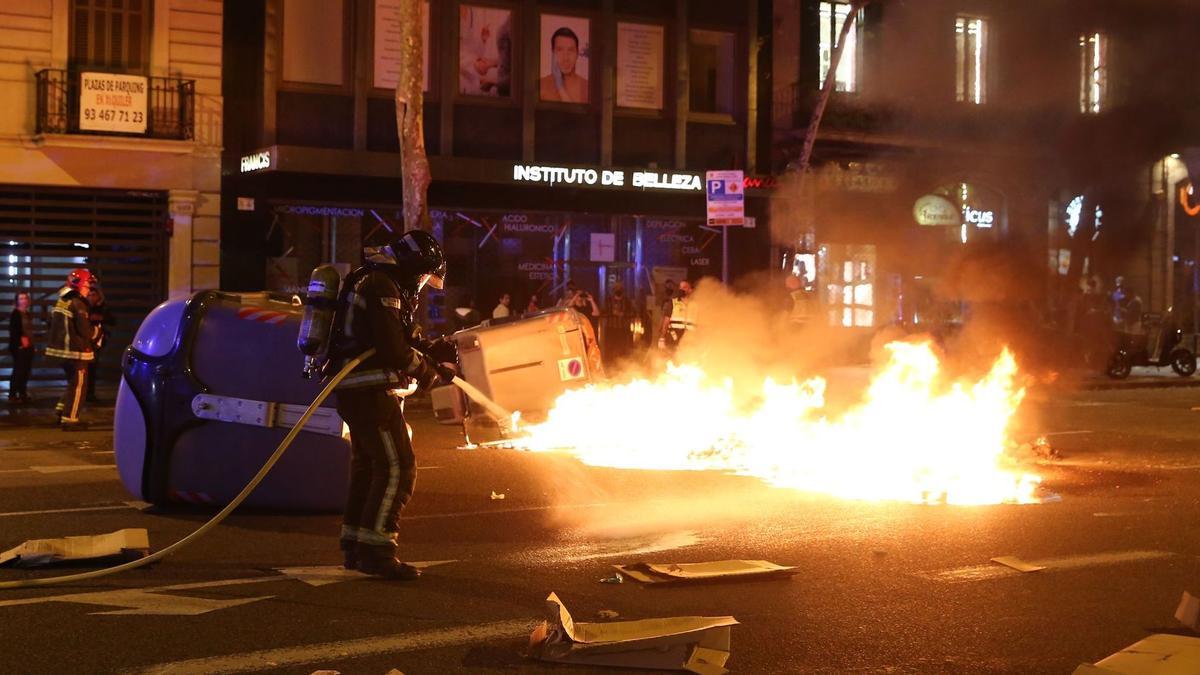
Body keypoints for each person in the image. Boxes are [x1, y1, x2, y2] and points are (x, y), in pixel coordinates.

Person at [326, 231, 456, 581]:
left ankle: (355, 545)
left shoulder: (376, 280)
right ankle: (377, 550)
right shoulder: (381, 286)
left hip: (358, 391)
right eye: (425, 278)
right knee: (398, 467)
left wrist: (434, 350)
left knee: (370, 467)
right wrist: (428, 373)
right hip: (370, 391)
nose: (424, 285)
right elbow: (392, 349)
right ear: (416, 268)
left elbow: (401, 336)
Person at [46, 269, 95, 430]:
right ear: (79, 284)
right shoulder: (77, 303)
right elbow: (85, 331)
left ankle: (61, 411)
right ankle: (70, 418)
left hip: (63, 352)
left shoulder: (62, 300)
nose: (89, 289)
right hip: (76, 352)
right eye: (88, 284)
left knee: (72, 383)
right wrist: (98, 332)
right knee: (79, 386)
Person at [539, 26, 588, 103]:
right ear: (553, 53)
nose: (565, 58)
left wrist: (560, 87)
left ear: (577, 53)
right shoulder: (541, 87)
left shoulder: (587, 89)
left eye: (571, 50)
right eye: (559, 50)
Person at [85, 279, 114, 403]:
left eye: (94, 295)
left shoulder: (103, 307)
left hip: (98, 342)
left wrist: (101, 318)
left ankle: (90, 393)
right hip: (86, 341)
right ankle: (85, 393)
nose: (91, 297)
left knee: (93, 368)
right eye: (90, 295)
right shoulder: (83, 306)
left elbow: (113, 321)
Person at [8, 291, 34, 404]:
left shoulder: (27, 313)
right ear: (17, 301)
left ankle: (22, 392)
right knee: (18, 371)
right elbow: (14, 331)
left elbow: (29, 330)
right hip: (19, 346)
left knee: (25, 370)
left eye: (25, 298)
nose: (23, 300)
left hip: (28, 345)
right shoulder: (16, 313)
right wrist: (20, 342)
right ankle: (12, 394)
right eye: (21, 298)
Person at [660, 280, 696, 350]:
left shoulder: (696, 305)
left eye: (684, 287)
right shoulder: (673, 303)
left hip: (690, 338)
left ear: (690, 290)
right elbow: (666, 322)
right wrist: (662, 338)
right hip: (674, 337)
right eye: (680, 287)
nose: (681, 289)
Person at [604, 282, 633, 361]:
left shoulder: (627, 301)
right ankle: (609, 367)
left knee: (622, 349)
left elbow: (632, 313)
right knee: (609, 349)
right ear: (613, 290)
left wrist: (623, 314)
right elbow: (603, 312)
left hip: (623, 329)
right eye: (616, 288)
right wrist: (612, 313)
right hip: (611, 329)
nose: (618, 289)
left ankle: (621, 367)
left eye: (620, 288)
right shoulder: (608, 300)